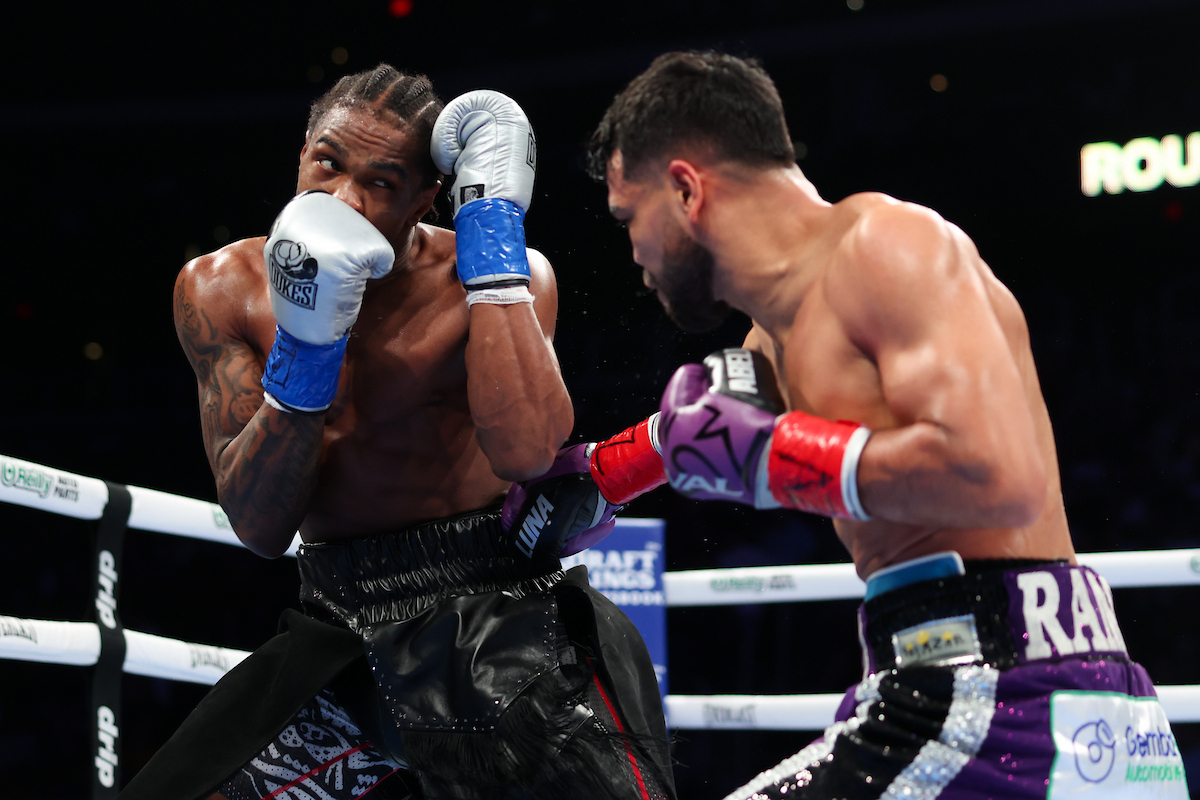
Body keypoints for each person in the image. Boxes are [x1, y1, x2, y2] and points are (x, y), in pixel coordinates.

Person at [584, 51, 1190, 799]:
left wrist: (780, 457)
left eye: (628, 216)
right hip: (946, 687)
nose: (634, 255)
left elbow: (1002, 479)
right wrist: (581, 480)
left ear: (685, 189)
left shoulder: (888, 247)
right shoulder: (764, 343)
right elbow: (697, 438)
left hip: (1009, 702)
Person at [118, 64, 675, 800]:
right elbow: (258, 525)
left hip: (495, 607)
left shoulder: (498, 277)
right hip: (339, 626)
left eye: (381, 182)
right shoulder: (221, 288)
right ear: (302, 151)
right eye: (328, 163)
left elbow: (526, 452)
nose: (344, 198)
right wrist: (306, 347)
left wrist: (494, 254)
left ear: (425, 198)